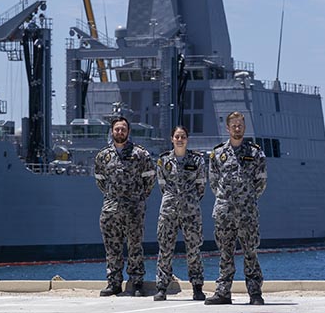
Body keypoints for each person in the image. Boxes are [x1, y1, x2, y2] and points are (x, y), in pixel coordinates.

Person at [205, 111, 267, 306]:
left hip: (247, 211)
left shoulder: (255, 153)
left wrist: (246, 198)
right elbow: (213, 182)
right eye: (234, 125)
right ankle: (223, 292)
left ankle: (255, 293)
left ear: (244, 127)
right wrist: (227, 199)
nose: (237, 128)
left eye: (240, 125)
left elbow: (261, 182)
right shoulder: (218, 154)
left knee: (250, 251)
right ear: (228, 128)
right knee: (225, 252)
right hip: (224, 211)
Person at [94, 116, 155, 297]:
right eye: (117, 129)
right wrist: (114, 197)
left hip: (134, 208)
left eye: (123, 129)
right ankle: (114, 283)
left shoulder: (140, 154)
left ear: (128, 131)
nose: (119, 132)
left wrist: (138, 198)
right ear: (112, 131)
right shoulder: (103, 156)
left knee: (135, 246)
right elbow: (100, 181)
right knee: (112, 247)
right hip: (111, 209)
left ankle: (136, 283)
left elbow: (149, 180)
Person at [154, 126, 207, 301]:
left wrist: (188, 200)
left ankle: (197, 287)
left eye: (183, 136)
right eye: (177, 136)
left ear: (187, 139)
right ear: (171, 139)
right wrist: (174, 199)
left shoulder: (197, 160)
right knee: (165, 248)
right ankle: (162, 287)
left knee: (193, 249)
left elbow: (201, 186)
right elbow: (162, 185)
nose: (180, 139)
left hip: (191, 211)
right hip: (169, 210)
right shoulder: (163, 160)